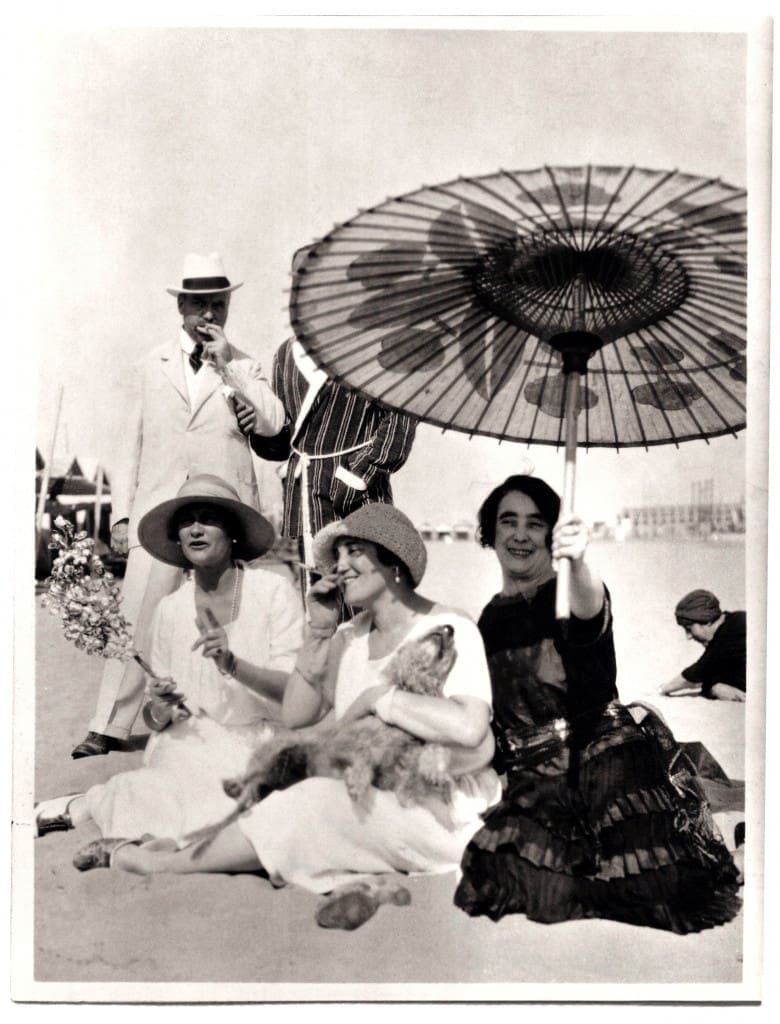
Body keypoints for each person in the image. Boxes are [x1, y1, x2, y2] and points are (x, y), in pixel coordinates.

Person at [60, 504, 501, 917]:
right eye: (339, 555)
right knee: (286, 800)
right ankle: (174, 851)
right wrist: (319, 634)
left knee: (303, 806)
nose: (341, 565)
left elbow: (469, 727)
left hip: (437, 807)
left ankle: (154, 863)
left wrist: (377, 700)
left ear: (395, 563)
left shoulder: (447, 627)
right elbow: (296, 714)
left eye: (356, 553)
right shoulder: (348, 636)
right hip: (369, 790)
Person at [453, 475, 742, 933]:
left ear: (552, 535)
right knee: (495, 874)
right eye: (508, 522)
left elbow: (590, 607)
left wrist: (580, 559)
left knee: (641, 882)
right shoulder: (489, 618)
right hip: (533, 774)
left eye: (536, 523)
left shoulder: (570, 592)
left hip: (601, 757)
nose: (521, 535)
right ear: (491, 532)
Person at [72, 253, 286, 758]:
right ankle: (109, 724)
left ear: (228, 306)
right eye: (200, 305)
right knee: (140, 611)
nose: (209, 315)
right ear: (182, 308)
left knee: (227, 610)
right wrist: (122, 514)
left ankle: (230, 716)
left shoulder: (247, 364)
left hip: (225, 508)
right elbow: (131, 442)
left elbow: (275, 424)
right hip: (160, 508)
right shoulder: (151, 365)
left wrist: (229, 364)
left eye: (219, 304)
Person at [36, 475, 303, 850]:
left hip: (259, 741)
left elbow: (293, 694)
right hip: (187, 744)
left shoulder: (273, 592)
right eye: (186, 520)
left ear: (234, 533)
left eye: (208, 517)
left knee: (234, 807)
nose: (195, 529)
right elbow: (155, 715)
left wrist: (233, 664)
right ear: (177, 538)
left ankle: (87, 805)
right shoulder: (171, 608)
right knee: (186, 794)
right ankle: (97, 805)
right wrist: (160, 707)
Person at [249, 247, 417, 571]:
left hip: (358, 491)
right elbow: (284, 438)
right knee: (312, 591)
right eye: (299, 280)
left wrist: (361, 474)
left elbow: (400, 416)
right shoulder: (285, 354)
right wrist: (257, 424)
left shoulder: (371, 344)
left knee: (364, 586)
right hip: (302, 491)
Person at [660, 590, 746, 701]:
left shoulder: (734, 630)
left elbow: (698, 672)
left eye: (689, 629)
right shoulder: (734, 621)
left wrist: (665, 689)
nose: (688, 637)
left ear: (707, 621)